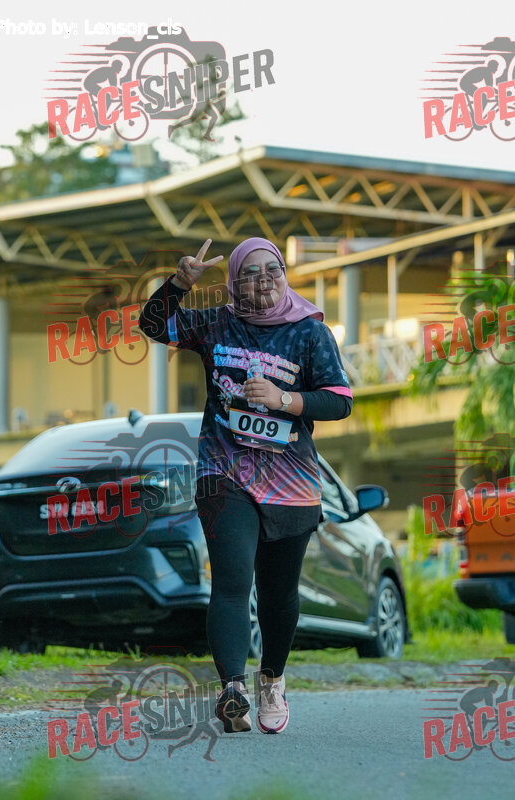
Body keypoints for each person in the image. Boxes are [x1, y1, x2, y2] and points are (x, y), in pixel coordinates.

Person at [139, 236, 352, 734]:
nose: (263, 280)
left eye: (272, 270)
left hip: (291, 481)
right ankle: (231, 688)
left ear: (284, 275)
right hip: (224, 471)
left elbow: (340, 400)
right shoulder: (217, 323)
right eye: (250, 273)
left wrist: (284, 400)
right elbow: (153, 325)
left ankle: (271, 679)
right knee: (233, 582)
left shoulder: (309, 332)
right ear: (235, 282)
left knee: (279, 595)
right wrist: (178, 284)